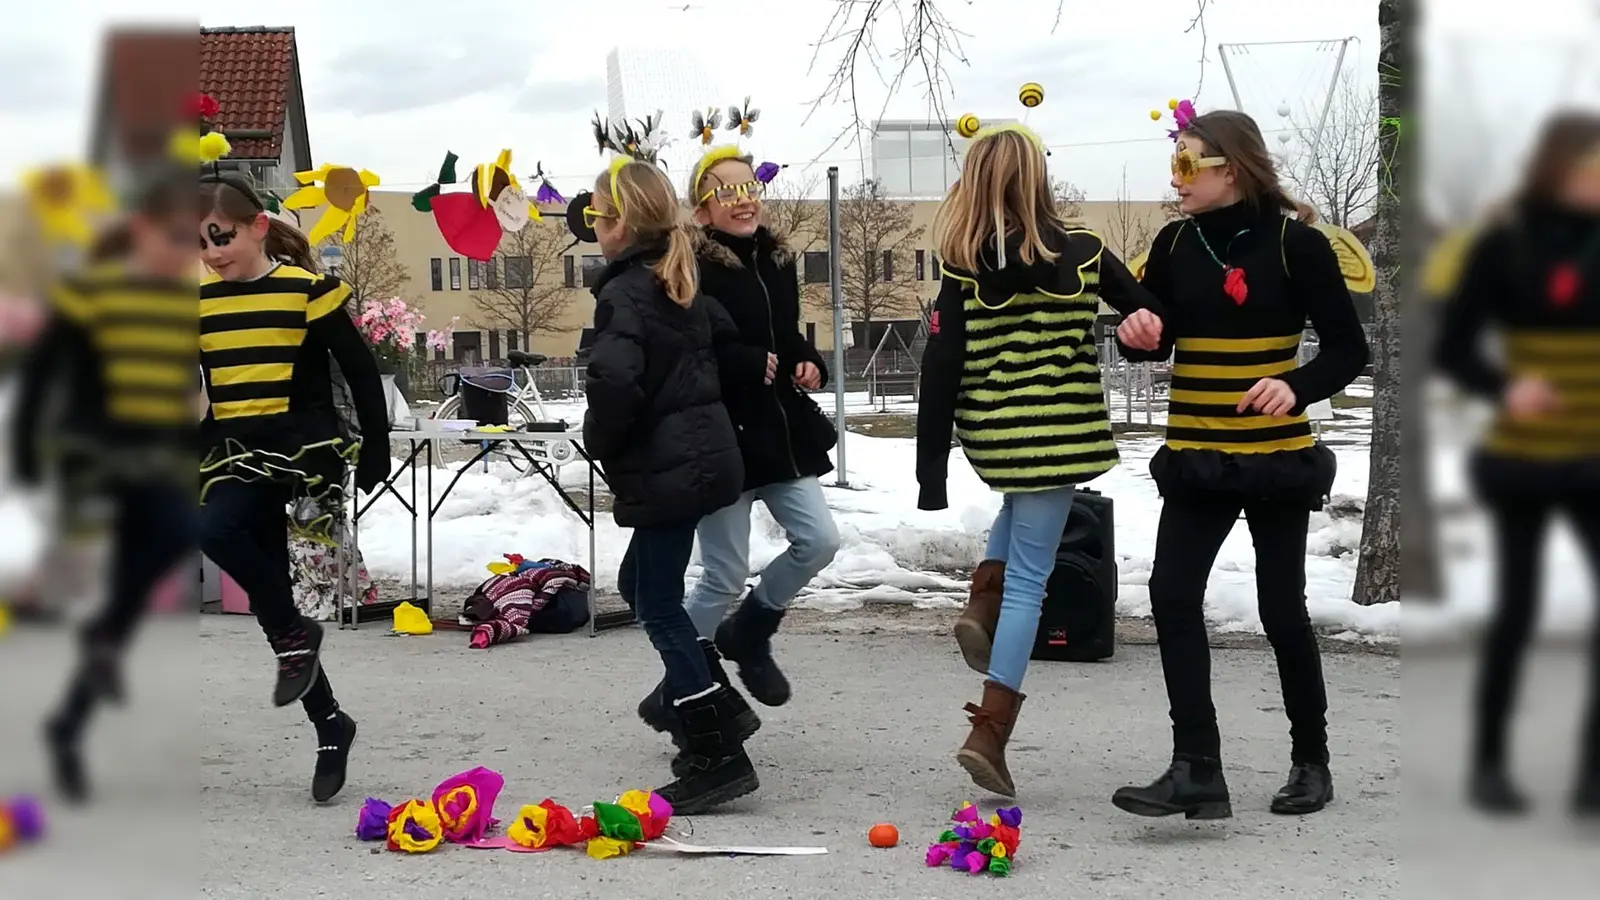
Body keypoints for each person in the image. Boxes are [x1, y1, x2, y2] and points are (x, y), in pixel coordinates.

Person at [1110, 107, 1369, 819]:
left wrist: (1296, 385)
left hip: (1275, 458)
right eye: (1176, 163)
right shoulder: (1174, 242)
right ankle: (1197, 767)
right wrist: (1136, 333)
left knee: (1281, 607)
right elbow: (1155, 341)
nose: (1176, 177)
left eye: (1189, 163)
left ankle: (1310, 761)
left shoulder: (1298, 245)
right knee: (1170, 593)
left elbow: (1351, 350)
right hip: (1199, 455)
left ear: (1233, 166)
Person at [916, 124, 1166, 798]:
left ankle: (980, 603)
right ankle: (990, 731)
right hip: (1058, 436)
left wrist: (930, 469)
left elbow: (940, 368)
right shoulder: (1085, 254)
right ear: (1040, 179)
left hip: (996, 434)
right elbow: (1147, 319)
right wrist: (1144, 329)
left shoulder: (961, 267)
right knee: (1033, 580)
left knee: (1016, 505)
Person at [581, 151, 769, 813]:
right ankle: (718, 701)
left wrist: (601, 440)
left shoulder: (626, 291)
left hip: (668, 468)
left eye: (599, 215)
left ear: (620, 223)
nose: (593, 226)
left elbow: (613, 379)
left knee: (656, 602)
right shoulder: (675, 278)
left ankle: (716, 745)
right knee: (639, 585)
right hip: (697, 460)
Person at [196, 174, 392, 803]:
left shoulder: (309, 292)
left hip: (297, 449)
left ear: (256, 226)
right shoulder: (199, 304)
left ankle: (295, 639)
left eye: (221, 237)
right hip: (232, 448)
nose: (212, 252)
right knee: (269, 599)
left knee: (218, 533)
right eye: (200, 243)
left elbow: (362, 373)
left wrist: (378, 447)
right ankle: (331, 723)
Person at [632, 144, 839, 739]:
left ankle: (749, 630)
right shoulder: (691, 266)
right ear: (701, 211)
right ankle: (685, 682)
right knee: (722, 572)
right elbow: (687, 346)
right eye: (724, 190)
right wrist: (747, 361)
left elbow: (785, 332)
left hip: (780, 432)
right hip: (722, 436)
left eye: (748, 186)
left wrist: (805, 360)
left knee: (820, 540)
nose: (741, 198)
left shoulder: (776, 258)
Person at [10, 168, 200, 802]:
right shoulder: (93, 291)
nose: (183, 251)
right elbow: (42, 376)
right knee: (161, 543)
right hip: (95, 452)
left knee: (164, 550)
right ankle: (101, 646)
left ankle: (73, 712)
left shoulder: (182, 302)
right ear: (141, 230)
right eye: (173, 237)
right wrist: (29, 456)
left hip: (154, 453)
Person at [1433, 111, 1600, 817]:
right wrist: (1507, 387)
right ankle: (1490, 763)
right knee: (1518, 610)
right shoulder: (1504, 245)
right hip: (1524, 458)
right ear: (1558, 168)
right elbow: (1453, 348)